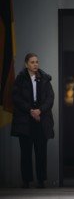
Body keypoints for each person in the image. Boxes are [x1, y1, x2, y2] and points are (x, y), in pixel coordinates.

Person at [11, 53, 55, 188]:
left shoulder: (45, 79)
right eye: (32, 62)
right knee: (25, 153)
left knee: (41, 152)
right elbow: (16, 98)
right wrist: (30, 110)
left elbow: (50, 98)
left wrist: (39, 110)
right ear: (26, 64)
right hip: (25, 119)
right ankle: (26, 181)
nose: (35, 64)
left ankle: (41, 180)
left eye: (37, 62)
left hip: (41, 119)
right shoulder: (20, 79)